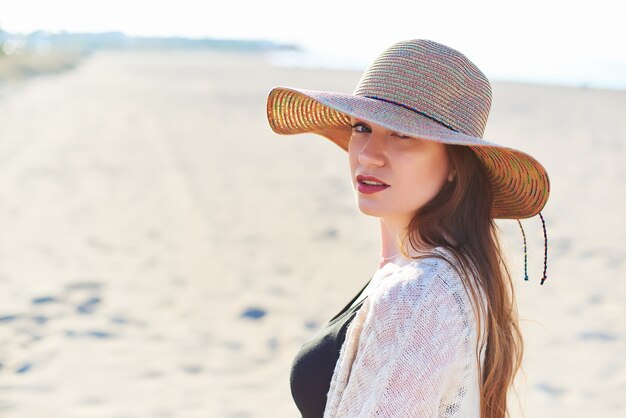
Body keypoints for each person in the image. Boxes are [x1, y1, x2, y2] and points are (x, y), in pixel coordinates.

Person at [265, 39, 550, 418]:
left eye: (403, 134)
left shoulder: (420, 295)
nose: (367, 154)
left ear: (454, 165)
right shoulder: (443, 273)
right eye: (362, 127)